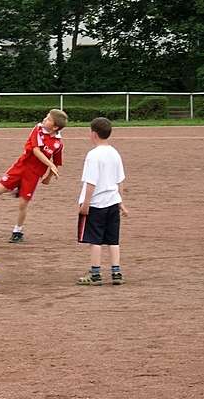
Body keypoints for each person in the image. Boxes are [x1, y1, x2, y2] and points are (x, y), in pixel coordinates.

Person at [0, 109, 68, 243]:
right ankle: (18, 187)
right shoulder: (38, 129)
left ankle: (18, 231)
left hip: (33, 174)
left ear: (55, 127)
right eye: (46, 117)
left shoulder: (58, 143)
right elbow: (36, 151)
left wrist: (48, 177)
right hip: (21, 166)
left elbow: (57, 162)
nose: (45, 119)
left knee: (23, 205)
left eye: (49, 119)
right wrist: (49, 165)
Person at [76, 117, 128, 286]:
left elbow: (91, 182)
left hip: (97, 204)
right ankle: (116, 272)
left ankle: (96, 274)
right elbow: (119, 180)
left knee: (95, 240)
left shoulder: (93, 155)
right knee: (113, 240)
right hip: (113, 202)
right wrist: (121, 202)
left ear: (94, 134)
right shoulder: (115, 153)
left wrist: (85, 204)